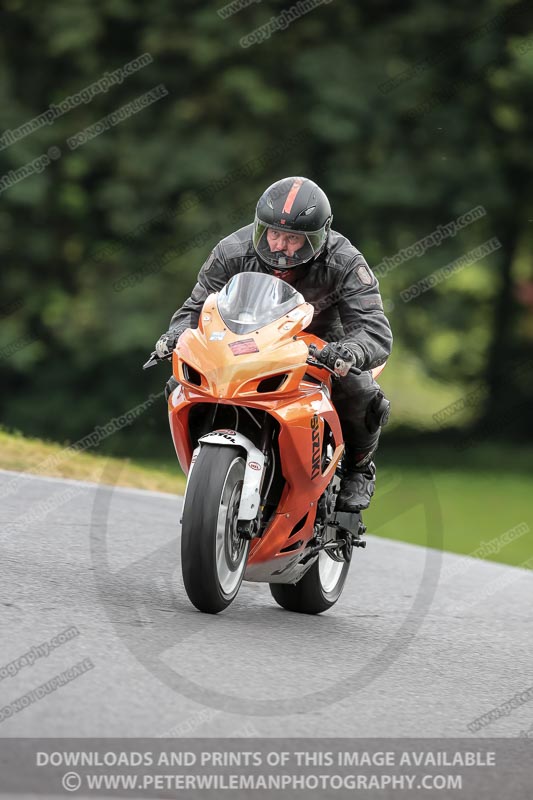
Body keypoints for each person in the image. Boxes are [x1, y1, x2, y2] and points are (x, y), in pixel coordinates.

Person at [155, 177, 392, 511]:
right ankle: (203, 467)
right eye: (274, 234)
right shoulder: (232, 250)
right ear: (260, 228)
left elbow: (374, 329)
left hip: (322, 349)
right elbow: (193, 309)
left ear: (319, 236)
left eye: (293, 238)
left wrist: (350, 352)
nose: (280, 245)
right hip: (245, 345)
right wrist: (176, 335)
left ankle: (359, 469)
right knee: (181, 383)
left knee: (360, 390)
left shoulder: (345, 261)